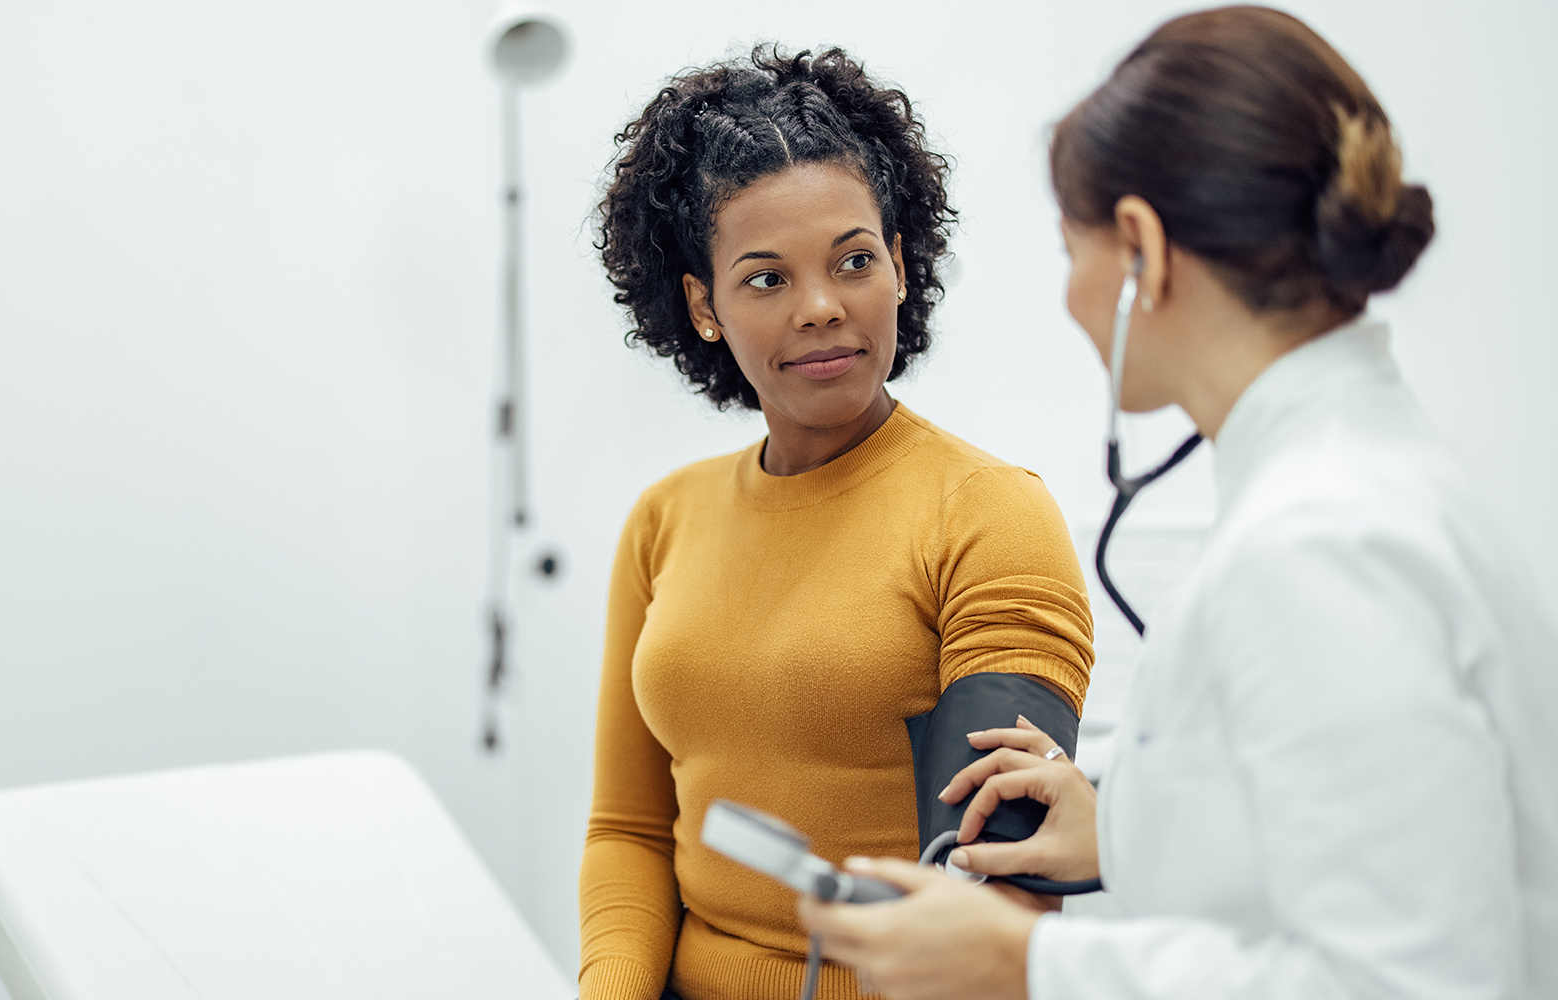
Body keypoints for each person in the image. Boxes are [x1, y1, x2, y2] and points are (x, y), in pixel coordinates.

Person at [797, 8, 1558, 999]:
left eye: (1071, 251)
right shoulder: (1359, 480)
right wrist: (1125, 826)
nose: (1069, 295)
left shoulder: (1320, 542)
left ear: (1139, 252)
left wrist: (1021, 962)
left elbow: (1409, 978)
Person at [581, 47, 1097, 1000]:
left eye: (854, 261)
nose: (822, 308)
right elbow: (629, 831)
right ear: (703, 304)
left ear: (900, 267)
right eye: (767, 279)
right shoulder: (665, 522)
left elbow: (993, 899)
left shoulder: (989, 517)